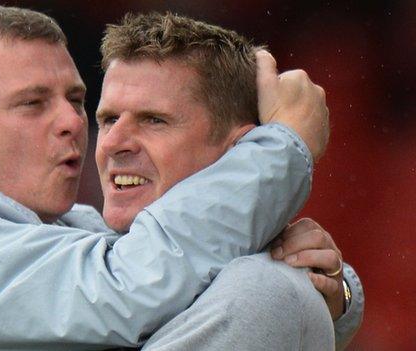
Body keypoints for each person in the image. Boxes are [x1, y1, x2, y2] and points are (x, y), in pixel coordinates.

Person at [0, 5, 361, 351]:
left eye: (77, 101)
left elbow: (164, 284)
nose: (77, 124)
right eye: (32, 103)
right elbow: (134, 286)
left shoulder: (75, 232)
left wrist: (331, 288)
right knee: (263, 293)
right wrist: (282, 146)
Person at [95, 12, 363, 350]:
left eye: (153, 120)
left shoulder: (264, 289)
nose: (112, 143)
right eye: (109, 119)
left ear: (239, 149)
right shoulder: (59, 234)